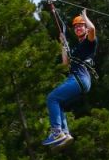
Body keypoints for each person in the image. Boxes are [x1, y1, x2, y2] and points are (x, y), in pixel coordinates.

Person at [42, 8, 97, 147]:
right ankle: (64, 134)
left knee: (52, 98)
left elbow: (93, 29)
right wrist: (62, 43)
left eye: (81, 25)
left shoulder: (89, 43)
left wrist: (84, 16)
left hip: (80, 78)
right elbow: (65, 63)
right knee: (58, 102)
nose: (78, 28)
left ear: (85, 27)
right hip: (81, 81)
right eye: (76, 26)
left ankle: (56, 131)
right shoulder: (76, 49)